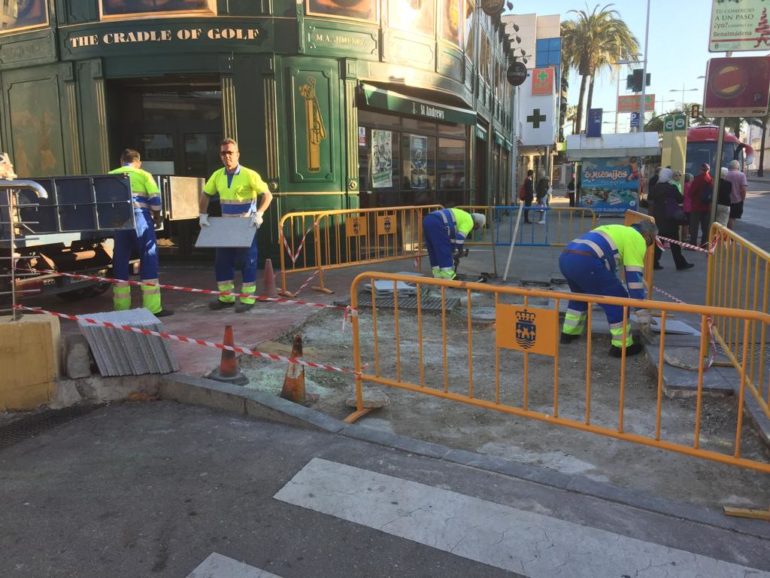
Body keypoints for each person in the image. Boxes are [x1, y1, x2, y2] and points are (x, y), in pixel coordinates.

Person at [559, 221, 658, 357]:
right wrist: (641, 310)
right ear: (647, 235)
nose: (648, 246)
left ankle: (568, 334)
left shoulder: (618, 229)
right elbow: (633, 278)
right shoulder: (637, 238)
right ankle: (621, 347)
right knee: (618, 300)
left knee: (579, 296)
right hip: (587, 261)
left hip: (566, 257)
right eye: (650, 242)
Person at [199, 138, 273, 312]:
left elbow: (267, 195)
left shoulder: (249, 174)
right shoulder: (217, 175)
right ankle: (226, 299)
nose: (227, 156)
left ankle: (247, 300)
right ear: (220, 155)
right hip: (226, 225)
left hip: (245, 224)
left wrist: (260, 213)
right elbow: (205, 194)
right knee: (222, 262)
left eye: (230, 152)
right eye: (223, 153)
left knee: (248, 261)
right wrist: (202, 214)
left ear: (237, 154)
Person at [108, 148, 171, 317]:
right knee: (148, 259)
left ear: (122, 161)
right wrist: (157, 217)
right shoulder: (144, 175)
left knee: (120, 262)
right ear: (138, 162)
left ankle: (121, 309)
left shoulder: (111, 175)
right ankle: (153, 309)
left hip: (120, 223)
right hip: (141, 221)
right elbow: (156, 202)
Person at [648, 168, 693, 271]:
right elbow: (680, 198)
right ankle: (680, 263)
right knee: (674, 243)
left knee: (659, 242)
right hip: (670, 219)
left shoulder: (655, 188)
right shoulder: (671, 188)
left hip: (658, 219)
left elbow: (649, 199)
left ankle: (654, 263)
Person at [422, 208, 486, 279]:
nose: (475, 229)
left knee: (433, 248)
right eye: (477, 228)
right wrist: (460, 251)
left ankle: (437, 274)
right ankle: (448, 276)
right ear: (476, 224)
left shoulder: (463, 215)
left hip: (428, 219)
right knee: (443, 248)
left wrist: (453, 250)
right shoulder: (470, 221)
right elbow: (459, 239)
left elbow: (452, 237)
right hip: (438, 222)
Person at [686, 163, 713, 247]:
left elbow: (691, 193)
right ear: (708, 170)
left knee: (694, 226)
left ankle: (693, 244)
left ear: (701, 169)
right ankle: (704, 244)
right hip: (706, 206)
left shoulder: (698, 179)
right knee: (705, 227)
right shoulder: (710, 179)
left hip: (696, 206)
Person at [724, 159, 748, 230]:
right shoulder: (741, 175)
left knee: (726, 217)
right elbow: (743, 189)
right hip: (737, 201)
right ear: (738, 167)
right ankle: (729, 234)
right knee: (732, 217)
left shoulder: (726, 174)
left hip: (726, 200)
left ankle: (725, 233)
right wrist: (743, 198)